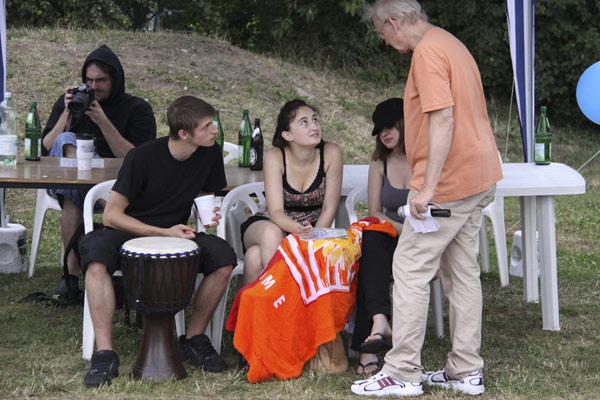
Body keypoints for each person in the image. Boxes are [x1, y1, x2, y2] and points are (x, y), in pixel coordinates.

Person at [352, 0, 503, 397]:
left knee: (409, 269)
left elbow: (443, 118)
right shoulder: (450, 43)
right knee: (462, 273)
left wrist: (428, 187)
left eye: (381, 33)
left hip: (450, 182)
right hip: (479, 173)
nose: (385, 41)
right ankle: (465, 370)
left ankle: (402, 372)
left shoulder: (427, 52)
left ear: (392, 22)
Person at [78, 96, 236, 388]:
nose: (215, 130)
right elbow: (112, 215)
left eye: (212, 123)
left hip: (175, 233)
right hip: (129, 229)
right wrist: (164, 232)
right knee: (96, 256)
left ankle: (193, 338)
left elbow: (203, 191)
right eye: (207, 126)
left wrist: (207, 212)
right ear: (184, 134)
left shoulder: (209, 153)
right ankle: (104, 353)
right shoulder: (142, 157)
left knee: (223, 258)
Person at [41, 44, 157, 300]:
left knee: (72, 193)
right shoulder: (70, 102)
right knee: (68, 153)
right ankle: (114, 225)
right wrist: (66, 114)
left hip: (119, 184)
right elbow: (45, 149)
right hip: (73, 183)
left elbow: (138, 159)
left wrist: (103, 121)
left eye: (101, 80)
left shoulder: (137, 109)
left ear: (115, 79)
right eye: (89, 80)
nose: (94, 87)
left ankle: (70, 278)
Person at [240, 99, 343, 286]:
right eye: (304, 122)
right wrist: (298, 230)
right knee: (271, 233)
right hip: (271, 224)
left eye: (315, 119)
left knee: (254, 257)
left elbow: (329, 208)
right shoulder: (275, 156)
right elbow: (275, 213)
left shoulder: (331, 153)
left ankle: (256, 305)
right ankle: (286, 295)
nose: (314, 126)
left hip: (312, 229)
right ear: (287, 134)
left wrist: (313, 236)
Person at [351, 98, 410, 375]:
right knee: (370, 244)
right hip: (394, 233)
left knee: (370, 256)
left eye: (390, 127)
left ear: (405, 124)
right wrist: (403, 230)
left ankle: (368, 345)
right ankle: (378, 322)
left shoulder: (425, 158)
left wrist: (412, 234)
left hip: (426, 238)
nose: (384, 134)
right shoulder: (379, 162)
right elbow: (375, 211)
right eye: (379, 130)